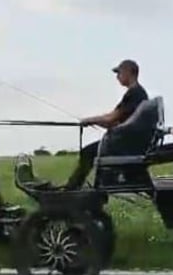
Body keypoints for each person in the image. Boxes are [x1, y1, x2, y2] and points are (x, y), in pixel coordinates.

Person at [63, 59, 149, 189]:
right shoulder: (137, 93)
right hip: (127, 141)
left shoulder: (135, 93)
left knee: (87, 152)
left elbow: (111, 118)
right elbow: (116, 121)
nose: (117, 77)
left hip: (124, 145)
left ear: (128, 72)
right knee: (90, 151)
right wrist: (99, 122)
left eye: (119, 73)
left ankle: (71, 190)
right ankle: (76, 188)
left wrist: (90, 120)